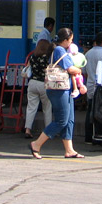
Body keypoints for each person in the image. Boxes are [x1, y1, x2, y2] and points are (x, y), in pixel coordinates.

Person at [28, 28, 84, 159]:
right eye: (70, 40)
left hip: (65, 89)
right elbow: (70, 68)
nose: (71, 43)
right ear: (64, 40)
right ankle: (36, 144)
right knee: (61, 120)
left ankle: (69, 150)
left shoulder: (61, 50)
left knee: (69, 120)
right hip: (59, 90)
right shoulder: (59, 50)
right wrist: (79, 69)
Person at [24, 39, 53, 139]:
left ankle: (27, 129)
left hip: (32, 83)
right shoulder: (47, 58)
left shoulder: (32, 57)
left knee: (31, 107)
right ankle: (48, 132)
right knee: (47, 108)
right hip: (44, 83)